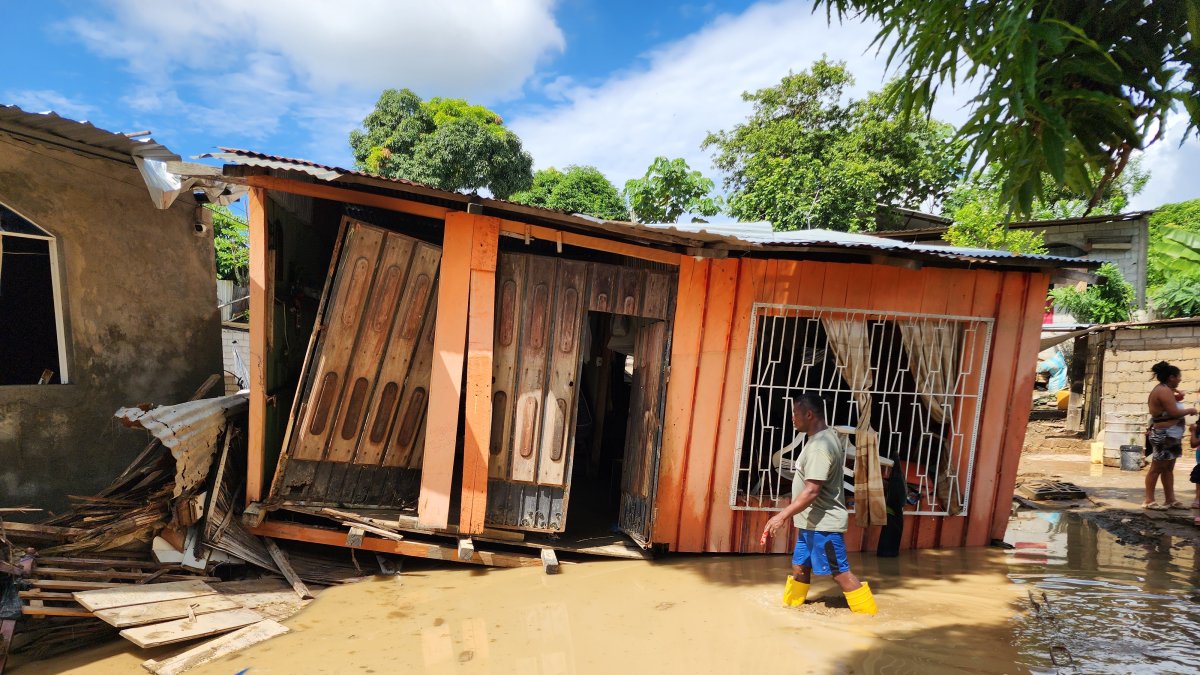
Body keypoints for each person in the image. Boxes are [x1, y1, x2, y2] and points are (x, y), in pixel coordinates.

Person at [760, 394, 877, 615]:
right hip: (811, 524)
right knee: (800, 567)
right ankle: (790, 610)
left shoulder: (819, 448)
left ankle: (869, 616)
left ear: (809, 414)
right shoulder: (822, 437)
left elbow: (812, 490)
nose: (792, 418)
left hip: (824, 526)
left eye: (795, 413)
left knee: (840, 573)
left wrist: (781, 516)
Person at [1144, 362, 1197, 510]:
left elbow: (1168, 407)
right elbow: (1174, 412)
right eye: (1178, 376)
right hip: (1164, 434)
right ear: (1171, 377)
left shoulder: (1167, 390)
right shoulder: (1163, 390)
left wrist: (1178, 396)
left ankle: (1170, 499)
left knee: (1168, 469)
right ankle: (1149, 500)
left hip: (1172, 435)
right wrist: (1190, 410)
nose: (1180, 379)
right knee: (1156, 468)